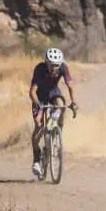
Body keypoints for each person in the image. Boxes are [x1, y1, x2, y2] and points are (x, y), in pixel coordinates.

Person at [29, 48, 77, 178]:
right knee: (38, 124)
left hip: (53, 93)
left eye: (56, 65)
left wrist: (73, 102)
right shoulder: (40, 69)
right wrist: (38, 105)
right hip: (39, 96)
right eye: (51, 65)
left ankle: (56, 132)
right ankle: (36, 159)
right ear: (46, 63)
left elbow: (70, 86)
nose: (54, 68)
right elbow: (32, 91)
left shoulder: (63, 67)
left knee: (61, 106)